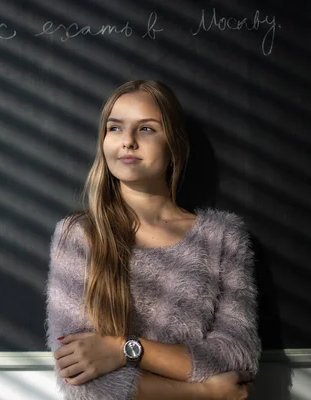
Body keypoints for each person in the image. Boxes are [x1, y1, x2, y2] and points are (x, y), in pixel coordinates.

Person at [45, 80, 261, 400]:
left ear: (173, 145)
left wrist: (124, 349)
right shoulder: (79, 236)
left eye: (146, 130)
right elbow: (82, 379)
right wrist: (207, 393)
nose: (128, 141)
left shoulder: (223, 238)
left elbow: (237, 356)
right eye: (115, 128)